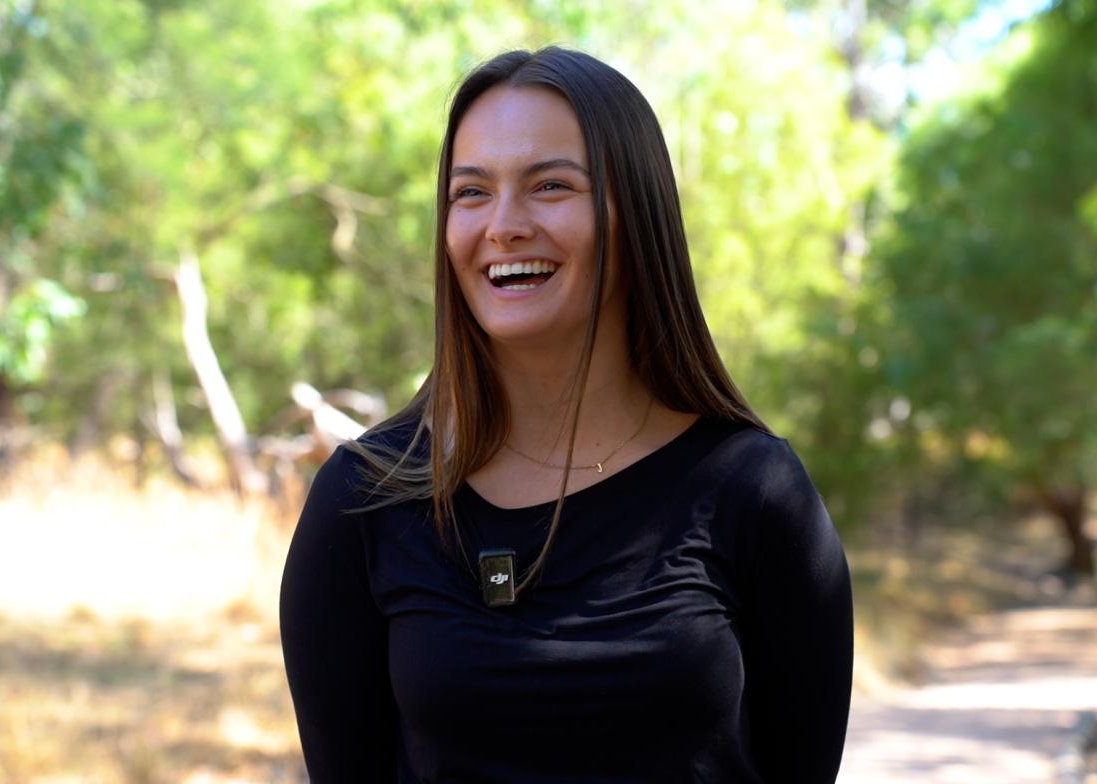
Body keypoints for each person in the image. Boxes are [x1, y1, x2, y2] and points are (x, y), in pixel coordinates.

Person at [279, 46, 853, 783]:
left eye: (550, 185)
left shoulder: (755, 490)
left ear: (636, 213)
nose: (504, 225)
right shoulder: (364, 499)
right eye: (471, 192)